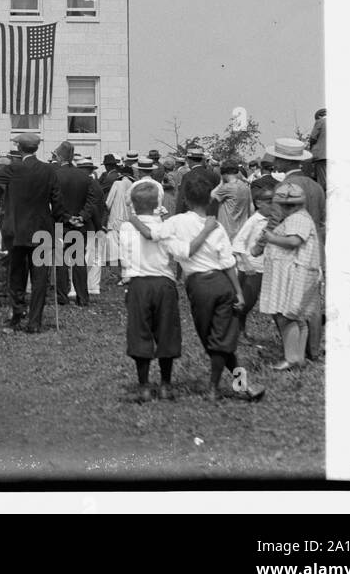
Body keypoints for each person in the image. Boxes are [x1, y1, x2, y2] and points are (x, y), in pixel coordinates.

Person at [130, 170, 264, 402]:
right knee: (223, 341)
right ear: (210, 199)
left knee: (212, 340)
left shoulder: (176, 222)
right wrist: (239, 292)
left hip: (199, 287)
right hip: (223, 283)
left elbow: (150, 234)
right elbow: (228, 262)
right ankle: (233, 385)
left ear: (186, 199)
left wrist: (133, 218)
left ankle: (229, 386)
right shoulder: (217, 227)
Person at [0, 132, 63, 333]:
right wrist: (59, 218)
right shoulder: (48, 170)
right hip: (42, 230)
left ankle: (17, 314)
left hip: (18, 230)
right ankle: (35, 322)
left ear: (20, 148)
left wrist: (3, 196)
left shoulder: (14, 168)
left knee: (17, 275)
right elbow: (56, 201)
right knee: (40, 279)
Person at [117, 180, 182, 402]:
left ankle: (144, 385)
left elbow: (124, 257)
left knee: (139, 332)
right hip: (164, 282)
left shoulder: (127, 226)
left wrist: (126, 276)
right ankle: (165, 383)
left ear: (133, 203)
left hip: (138, 283)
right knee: (166, 331)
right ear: (158, 203)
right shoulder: (166, 225)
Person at [256, 181, 323, 370]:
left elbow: (294, 240)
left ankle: (291, 358)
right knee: (296, 317)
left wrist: (271, 238)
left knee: (286, 316)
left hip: (296, 272)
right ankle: (298, 357)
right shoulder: (300, 217)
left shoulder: (298, 219)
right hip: (297, 271)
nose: (283, 209)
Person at [52, 141, 102, 306]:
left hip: (60, 222)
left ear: (59, 157)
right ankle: (82, 296)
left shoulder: (55, 175)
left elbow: (54, 200)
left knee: (61, 261)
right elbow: (92, 199)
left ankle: (62, 296)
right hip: (79, 224)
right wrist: (81, 216)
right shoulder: (84, 177)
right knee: (79, 260)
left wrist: (67, 217)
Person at [232, 181, 273, 339]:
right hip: (252, 267)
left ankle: (240, 330)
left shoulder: (271, 220)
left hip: (263, 266)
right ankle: (236, 331)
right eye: (269, 203)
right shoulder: (253, 221)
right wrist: (246, 262)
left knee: (250, 301)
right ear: (258, 203)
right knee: (246, 301)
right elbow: (238, 243)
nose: (272, 206)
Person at [210, 161, 254, 241]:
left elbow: (212, 196)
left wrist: (221, 183)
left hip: (228, 231)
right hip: (241, 230)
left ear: (224, 173)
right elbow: (251, 207)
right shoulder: (245, 187)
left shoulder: (227, 187)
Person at [307, 107, 327, 191]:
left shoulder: (321, 121)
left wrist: (311, 150)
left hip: (322, 156)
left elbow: (313, 138)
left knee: (323, 182)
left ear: (319, 116)